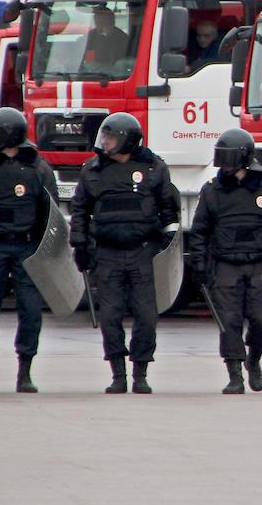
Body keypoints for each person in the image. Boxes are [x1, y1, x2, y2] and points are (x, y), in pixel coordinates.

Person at [70, 112, 179, 395]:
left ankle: (140, 372)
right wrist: (80, 245)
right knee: (110, 315)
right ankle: (118, 373)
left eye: (110, 137)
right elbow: (80, 210)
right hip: (107, 253)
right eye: (103, 136)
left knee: (146, 315)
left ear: (127, 140)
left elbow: (169, 209)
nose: (104, 142)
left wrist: (168, 245)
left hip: (142, 252)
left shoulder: (154, 168)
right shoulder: (93, 171)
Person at [0, 107, 59, 394]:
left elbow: (50, 214)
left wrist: (48, 253)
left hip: (27, 247)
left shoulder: (39, 169)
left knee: (30, 311)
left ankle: (25, 372)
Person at [189, 129, 262, 395]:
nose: (225, 165)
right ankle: (234, 373)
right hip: (226, 265)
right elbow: (200, 230)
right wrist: (198, 263)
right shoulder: (212, 191)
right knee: (228, 320)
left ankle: (254, 358)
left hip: (260, 265)